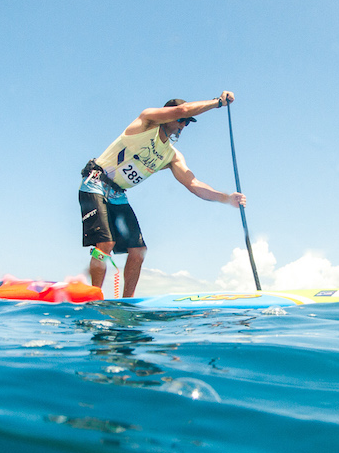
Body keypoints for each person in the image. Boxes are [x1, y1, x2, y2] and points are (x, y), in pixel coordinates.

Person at [80, 92, 246, 298]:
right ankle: (94, 297)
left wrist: (226, 198)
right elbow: (182, 110)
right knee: (106, 243)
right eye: (181, 120)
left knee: (138, 250)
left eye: (187, 123)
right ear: (167, 116)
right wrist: (218, 103)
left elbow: (193, 184)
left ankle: (127, 303)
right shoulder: (146, 122)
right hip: (96, 182)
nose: (183, 125)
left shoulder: (171, 155)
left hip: (118, 195)